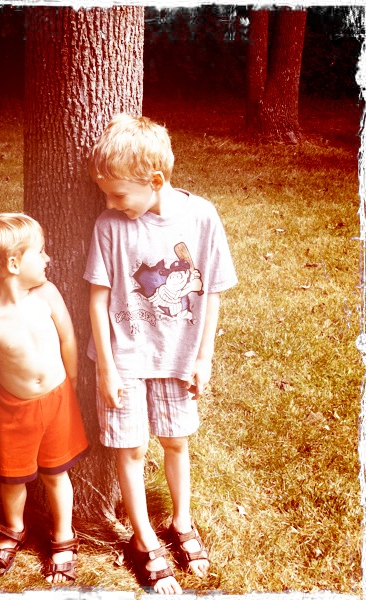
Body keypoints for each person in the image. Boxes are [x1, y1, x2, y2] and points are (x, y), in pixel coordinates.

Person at [84, 113, 237, 594]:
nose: (110, 203)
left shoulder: (202, 217)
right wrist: (107, 368)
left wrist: (204, 357)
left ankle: (181, 522)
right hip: (125, 358)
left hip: (179, 356)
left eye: (117, 194)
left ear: (154, 180)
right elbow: (97, 299)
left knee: (176, 441)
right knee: (130, 448)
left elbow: (213, 291)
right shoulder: (109, 226)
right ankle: (144, 539)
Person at [0, 213, 89, 585]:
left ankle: (63, 536)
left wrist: (71, 379)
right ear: (14, 264)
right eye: (40, 251)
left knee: (56, 472)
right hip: (16, 409)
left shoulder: (47, 294)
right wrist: (6, 379)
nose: (48, 258)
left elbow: (67, 337)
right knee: (13, 476)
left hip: (58, 399)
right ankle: (13, 530)